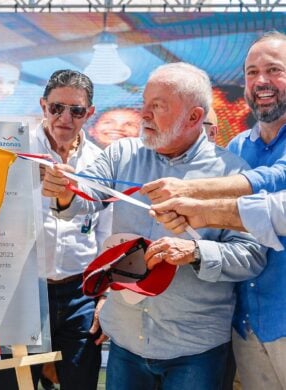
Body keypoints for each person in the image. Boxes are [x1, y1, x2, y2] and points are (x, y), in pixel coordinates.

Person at [42, 62, 266, 389]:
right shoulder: (122, 154)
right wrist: (64, 193)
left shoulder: (232, 175)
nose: (143, 114)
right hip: (126, 344)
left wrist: (194, 251)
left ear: (193, 117)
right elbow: (87, 195)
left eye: (156, 107)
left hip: (195, 351)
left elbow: (252, 256)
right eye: (144, 104)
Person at [140, 31, 286, 389]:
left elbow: (275, 179)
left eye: (274, 70)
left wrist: (192, 195)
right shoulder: (238, 146)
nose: (261, 81)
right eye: (251, 72)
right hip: (247, 329)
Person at [0, 70, 111, 390]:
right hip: (23, 290)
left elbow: (106, 235)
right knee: (13, 385)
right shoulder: (13, 150)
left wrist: (105, 295)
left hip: (80, 295)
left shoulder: (100, 162)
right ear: (43, 105)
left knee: (80, 383)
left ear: (89, 113)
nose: (65, 118)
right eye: (57, 107)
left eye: (76, 110)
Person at [151, 191, 286, 251]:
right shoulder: (238, 144)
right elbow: (275, 210)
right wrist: (204, 213)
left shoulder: (234, 165)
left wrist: (197, 253)